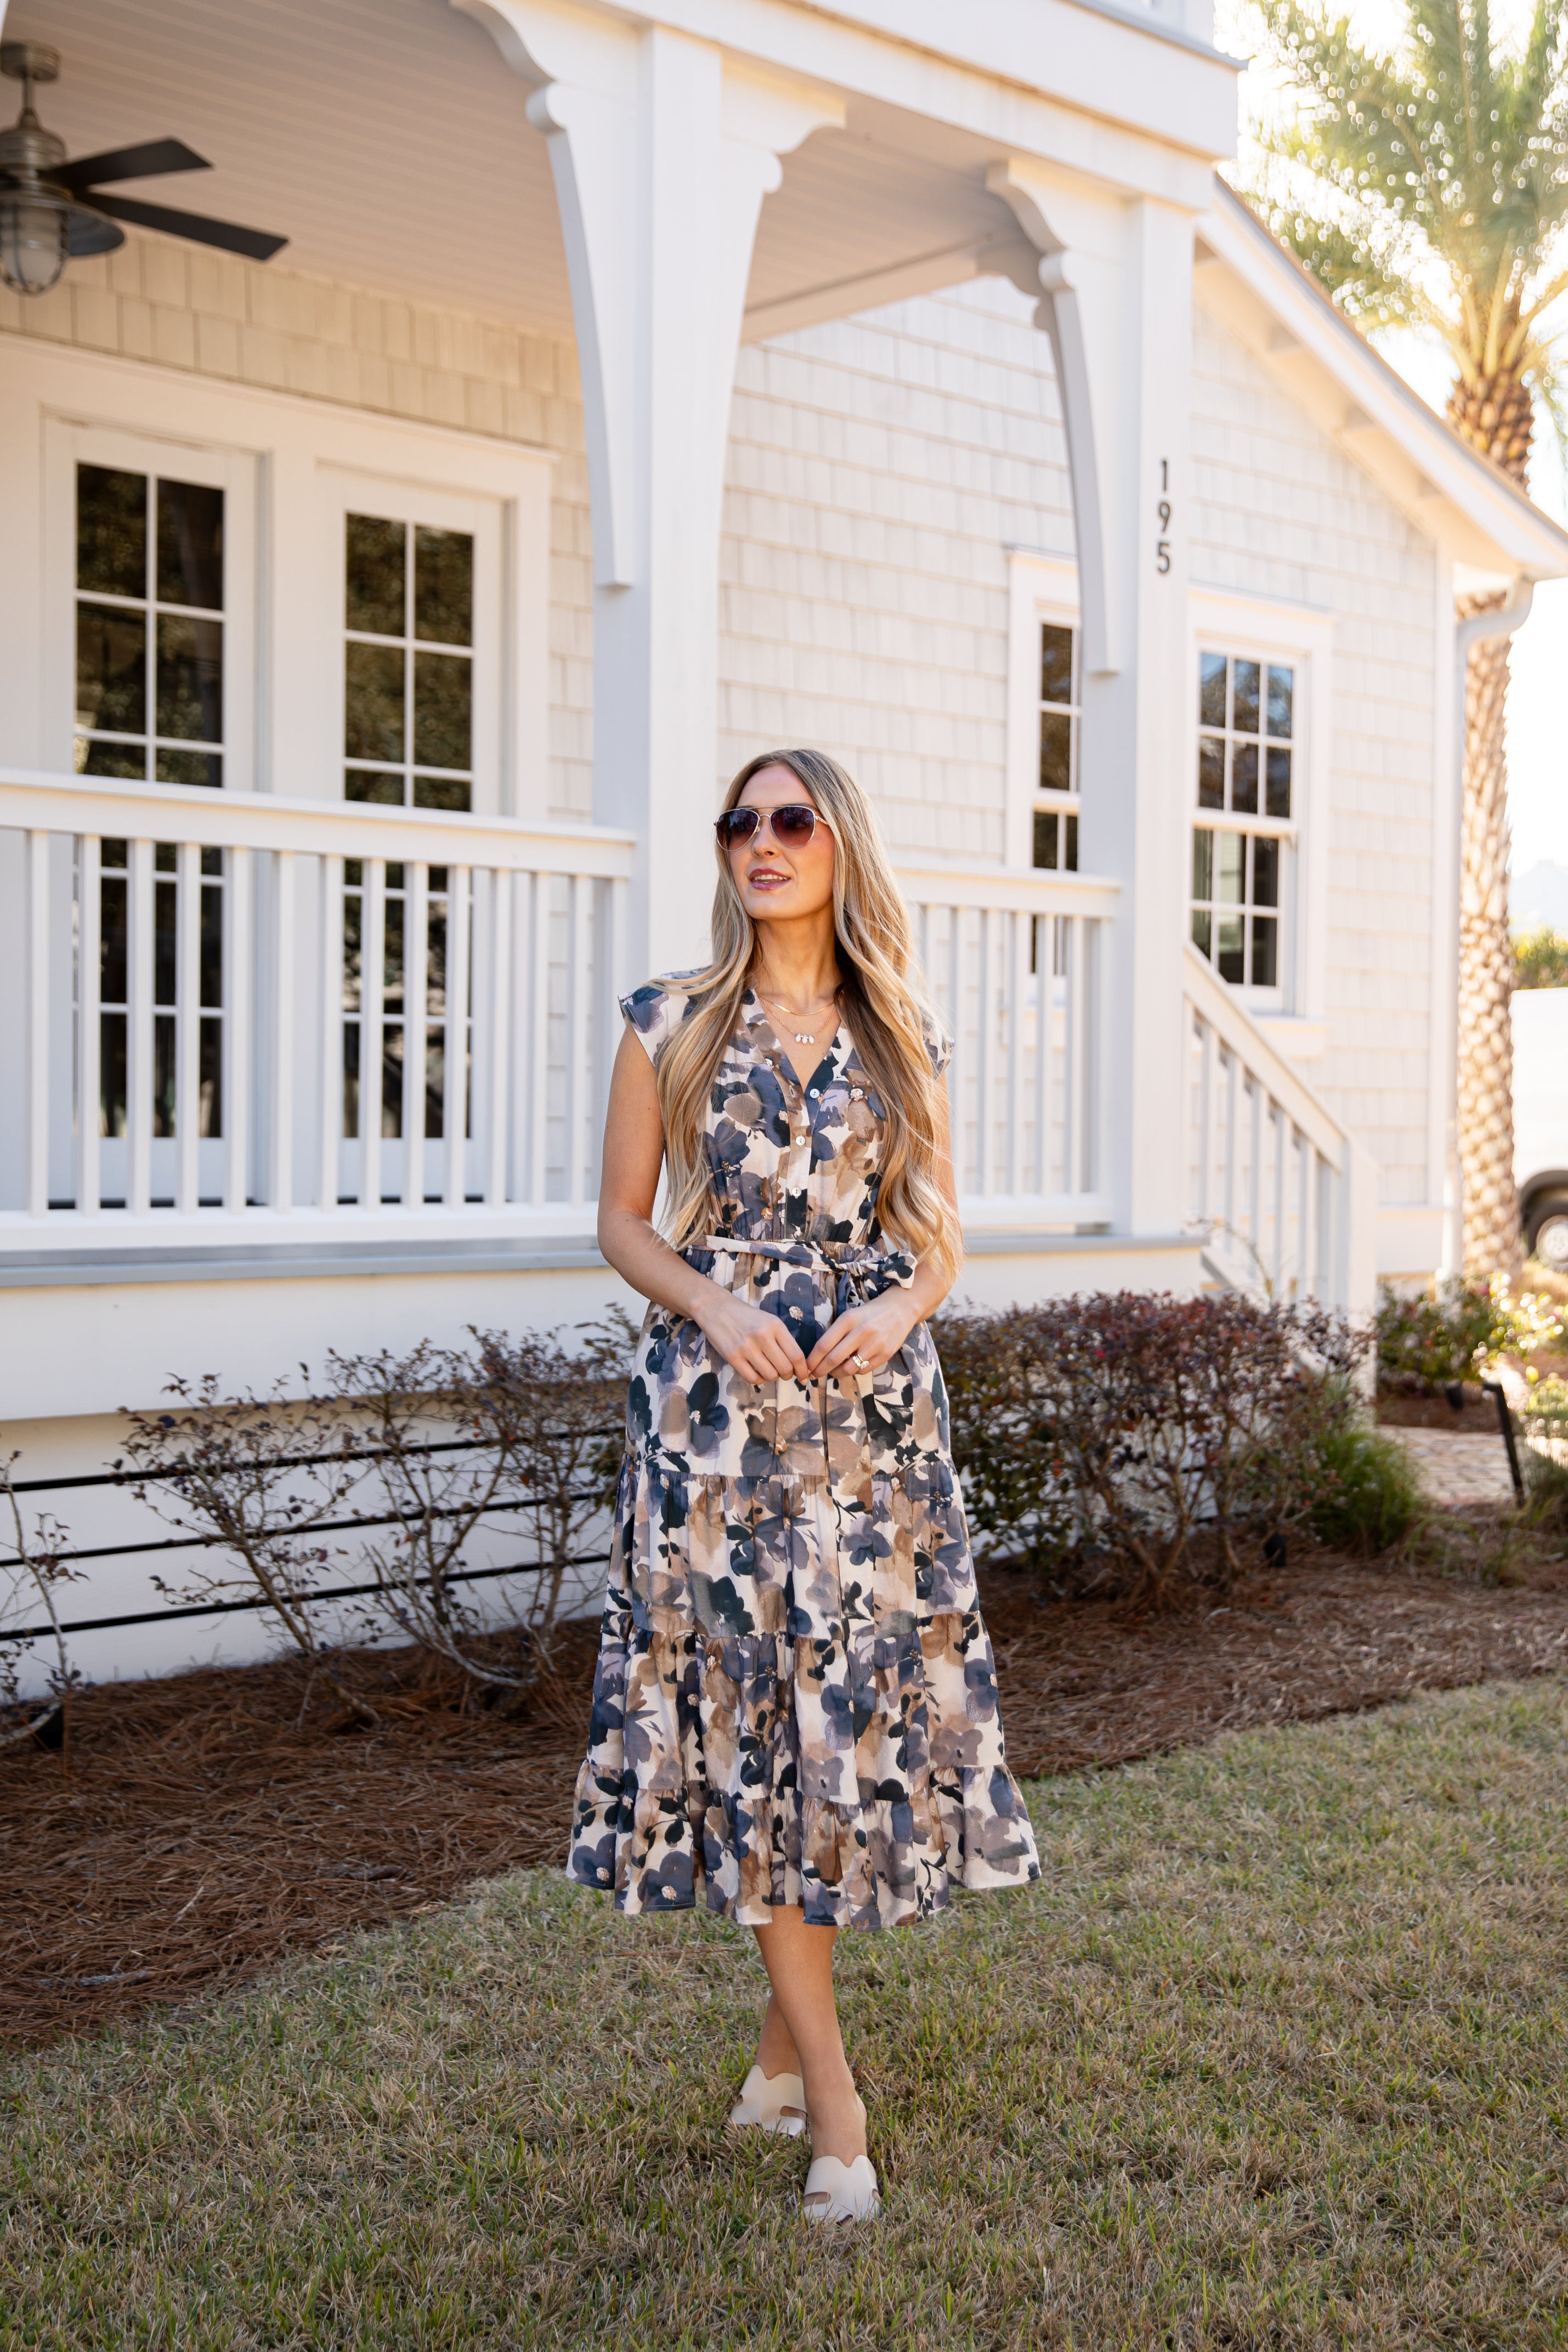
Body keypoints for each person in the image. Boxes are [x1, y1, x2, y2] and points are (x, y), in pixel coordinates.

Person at [567, 747, 1040, 2224]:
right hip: (716, 1427)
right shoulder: (670, 1019)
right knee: (750, 1722)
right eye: (738, 824)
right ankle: (834, 2109)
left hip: (871, 1424)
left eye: (788, 820)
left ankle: (777, 2065)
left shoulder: (899, 1030)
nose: (758, 844)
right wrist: (711, 1306)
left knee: (834, 1726)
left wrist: (900, 1310)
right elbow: (621, 1224)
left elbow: (941, 1234)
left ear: (839, 840)